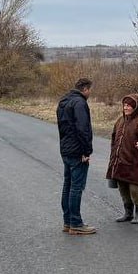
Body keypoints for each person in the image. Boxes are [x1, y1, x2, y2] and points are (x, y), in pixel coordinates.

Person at [106, 93, 138, 224]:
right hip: (119, 161)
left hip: (134, 162)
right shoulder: (120, 121)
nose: (126, 108)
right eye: (124, 105)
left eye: (129, 106)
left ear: (135, 107)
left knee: (134, 189)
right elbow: (113, 139)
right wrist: (113, 156)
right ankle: (128, 213)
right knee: (122, 188)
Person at [56, 78, 96, 235]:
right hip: (77, 151)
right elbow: (83, 129)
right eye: (90, 90)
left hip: (65, 149)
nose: (90, 93)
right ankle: (76, 223)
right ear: (85, 89)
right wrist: (86, 151)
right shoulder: (79, 103)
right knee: (76, 187)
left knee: (67, 185)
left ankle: (67, 221)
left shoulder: (64, 101)